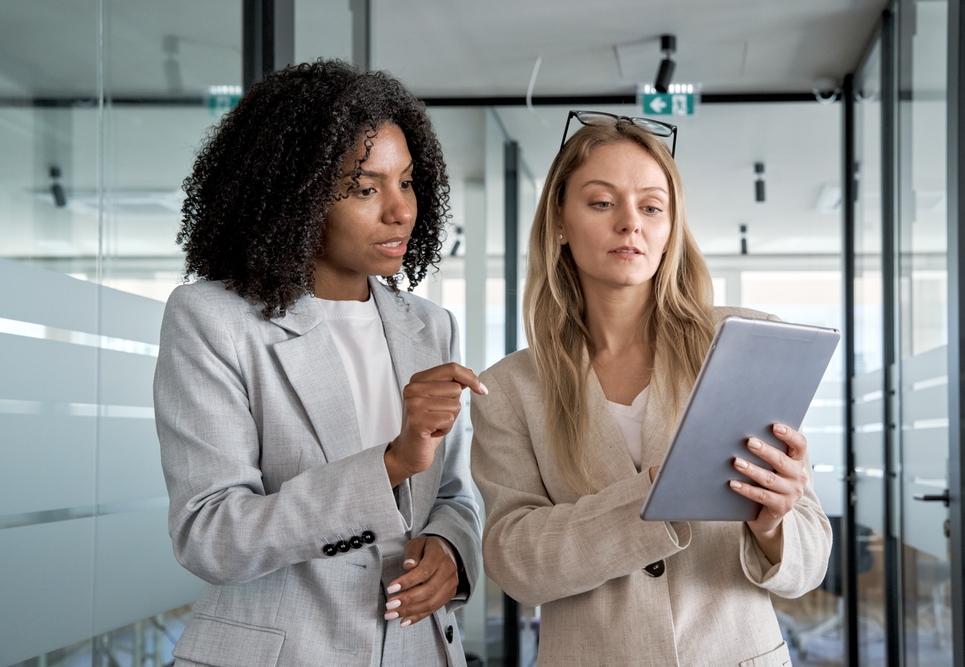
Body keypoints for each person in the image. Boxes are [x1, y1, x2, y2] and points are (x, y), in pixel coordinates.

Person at [470, 111, 831, 666]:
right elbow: (515, 563)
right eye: (601, 202)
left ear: (669, 229)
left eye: (651, 206)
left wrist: (776, 524)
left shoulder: (744, 343)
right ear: (560, 222)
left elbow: (809, 562)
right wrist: (653, 499)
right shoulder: (510, 388)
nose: (630, 223)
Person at [154, 60, 484, 667]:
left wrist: (450, 548)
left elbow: (457, 495)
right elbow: (210, 535)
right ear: (292, 196)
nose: (400, 210)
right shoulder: (213, 319)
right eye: (365, 188)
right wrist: (388, 464)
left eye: (407, 182)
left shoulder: (431, 327)